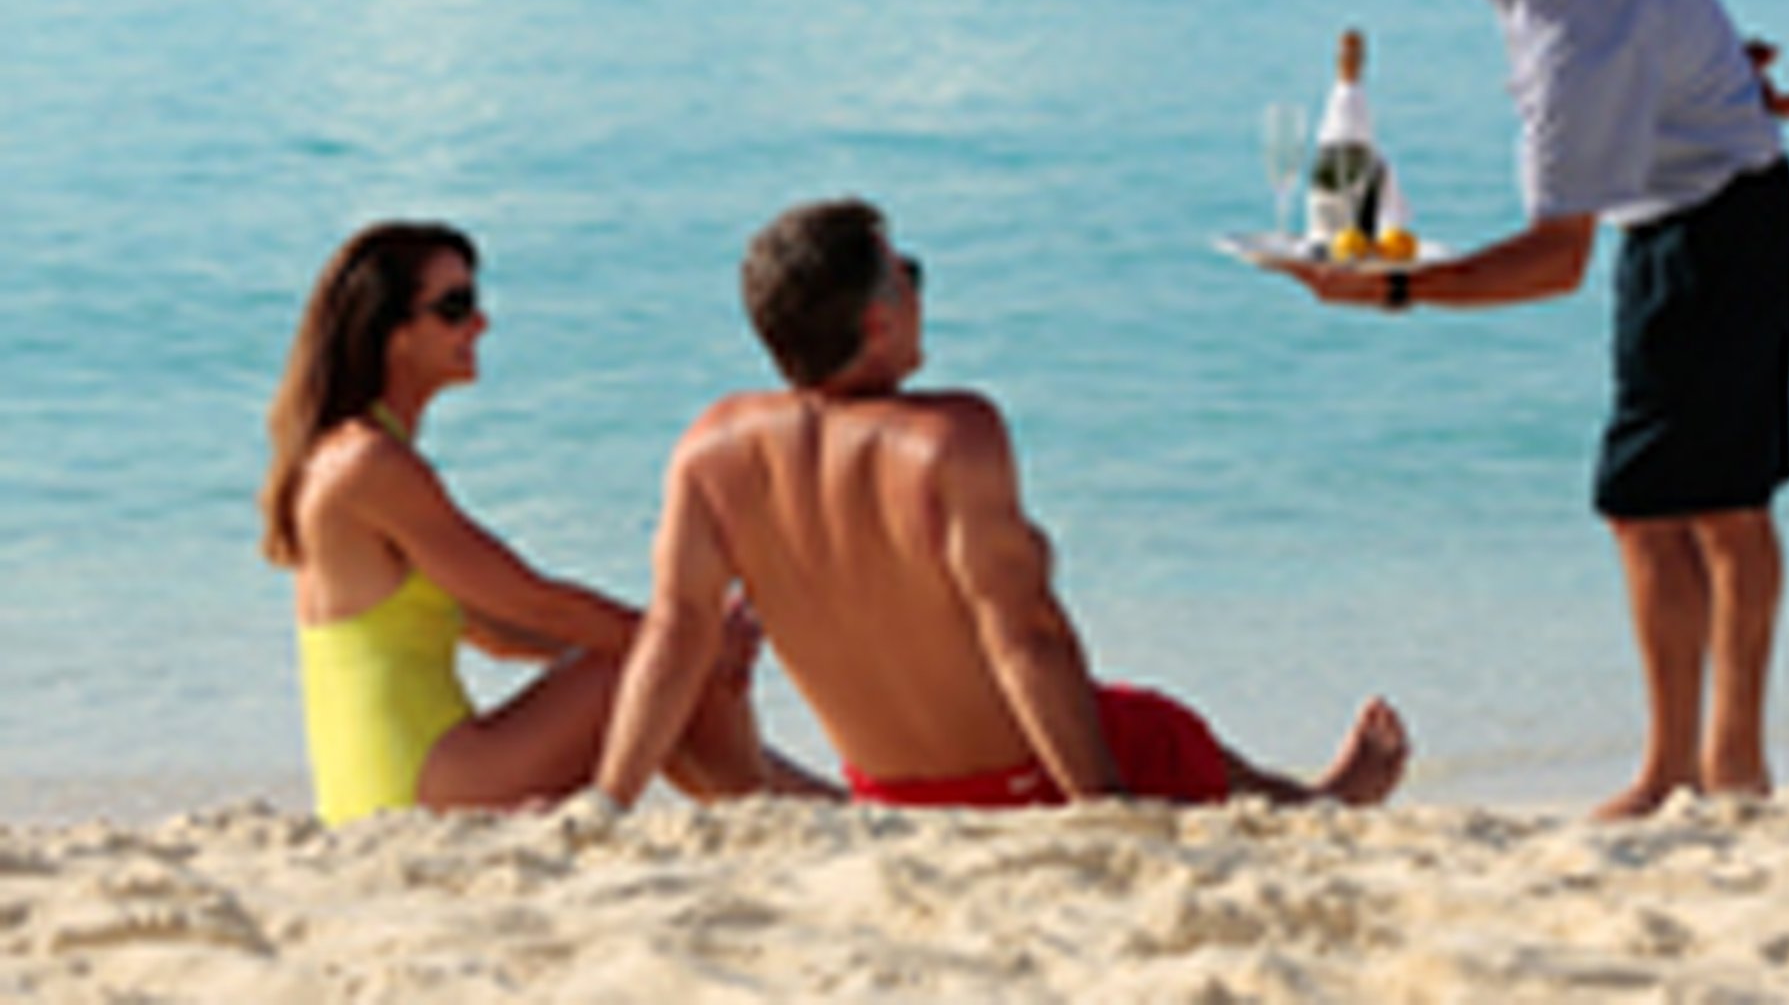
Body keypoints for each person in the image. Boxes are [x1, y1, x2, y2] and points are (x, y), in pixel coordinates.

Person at [1271, 0, 1789, 819]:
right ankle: (1711, 769)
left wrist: (1387, 288)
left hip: (1715, 221)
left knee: (1673, 503)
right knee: (1683, 500)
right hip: (1707, 204)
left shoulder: (1575, 27)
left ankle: (1696, 770)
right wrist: (1718, 66)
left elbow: (1551, 261)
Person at [594, 198, 1409, 813]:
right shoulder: (950, 437)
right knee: (1155, 727)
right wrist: (1100, 809)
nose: (920, 289)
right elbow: (1026, 636)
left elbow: (674, 640)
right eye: (908, 274)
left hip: (886, 791)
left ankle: (1310, 798)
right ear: (878, 322)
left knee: (1130, 715)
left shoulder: (711, 450)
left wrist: (608, 803)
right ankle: (1319, 806)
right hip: (1021, 780)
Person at [260, 220, 827, 825]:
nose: (481, 324)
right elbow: (535, 605)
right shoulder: (369, 464)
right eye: (455, 307)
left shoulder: (352, 454)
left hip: (383, 784)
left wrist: (682, 652)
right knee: (649, 665)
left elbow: (497, 631)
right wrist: (686, 645)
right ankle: (799, 809)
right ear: (390, 331)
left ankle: (807, 807)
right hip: (415, 787)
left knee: (655, 669)